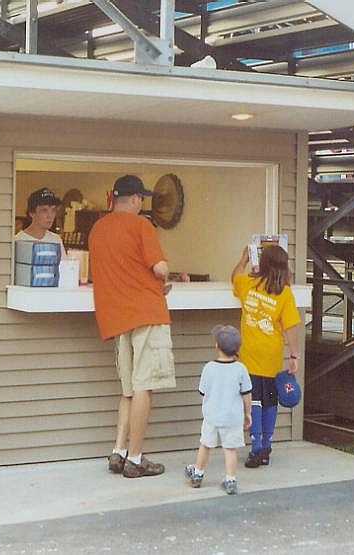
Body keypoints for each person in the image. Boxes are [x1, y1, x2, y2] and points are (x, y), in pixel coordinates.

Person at [89, 175, 176, 479]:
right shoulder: (142, 226)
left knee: (128, 389)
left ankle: (119, 451)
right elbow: (160, 267)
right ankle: (136, 458)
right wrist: (164, 280)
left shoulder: (98, 228)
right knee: (144, 387)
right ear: (137, 199)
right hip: (146, 315)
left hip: (117, 317)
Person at [231, 244, 302, 468]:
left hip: (249, 356)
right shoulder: (285, 293)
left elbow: (234, 277)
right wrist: (294, 355)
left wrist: (243, 259)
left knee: (253, 402)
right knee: (270, 401)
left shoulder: (248, 283)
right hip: (271, 355)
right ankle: (267, 445)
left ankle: (255, 447)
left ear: (261, 263)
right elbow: (291, 328)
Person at [184, 325, 252, 495]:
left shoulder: (209, 368)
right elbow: (246, 394)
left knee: (205, 445)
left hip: (212, 416)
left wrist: (207, 406)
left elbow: (203, 392)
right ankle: (230, 480)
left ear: (217, 346)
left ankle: (198, 474)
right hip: (232, 417)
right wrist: (248, 413)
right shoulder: (241, 369)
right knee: (230, 449)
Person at [15, 187, 66, 255]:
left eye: (53, 210)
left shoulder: (56, 240)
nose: (50, 216)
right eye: (44, 210)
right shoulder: (19, 240)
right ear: (32, 213)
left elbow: (63, 264)